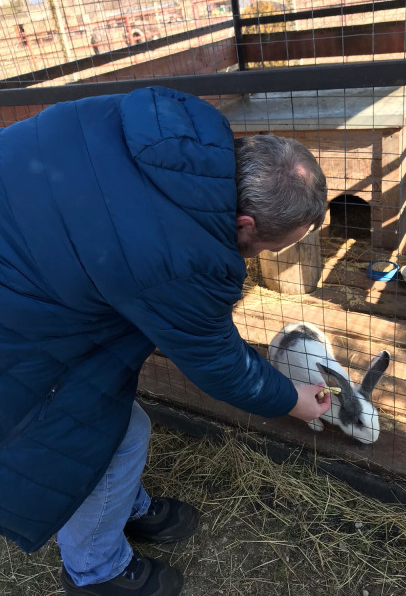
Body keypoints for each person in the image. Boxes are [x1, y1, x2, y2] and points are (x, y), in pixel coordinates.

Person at [0, 86, 331, 596]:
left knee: (114, 419)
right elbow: (217, 362)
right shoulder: (180, 253)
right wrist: (291, 399)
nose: (261, 256)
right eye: (269, 247)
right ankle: (95, 571)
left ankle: (121, 506)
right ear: (245, 223)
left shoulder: (176, 123)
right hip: (14, 314)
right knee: (107, 437)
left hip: (26, 260)